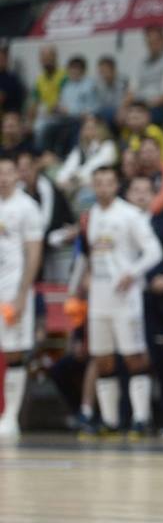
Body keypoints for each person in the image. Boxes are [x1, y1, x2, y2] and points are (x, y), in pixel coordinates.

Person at [69, 166, 163, 435]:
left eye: (108, 183)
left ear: (116, 185)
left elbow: (154, 251)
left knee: (134, 357)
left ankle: (141, 419)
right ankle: (110, 421)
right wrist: (76, 286)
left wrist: (131, 273)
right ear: (92, 186)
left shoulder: (130, 215)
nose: (102, 188)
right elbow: (85, 257)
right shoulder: (90, 216)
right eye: (97, 183)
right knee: (102, 360)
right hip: (98, 299)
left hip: (126, 299)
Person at [0, 153, 43, 441]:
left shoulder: (27, 207)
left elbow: (34, 252)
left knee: (13, 351)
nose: (3, 177)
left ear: (18, 174)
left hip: (13, 288)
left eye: (8, 172)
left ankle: (10, 417)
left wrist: (23, 293)